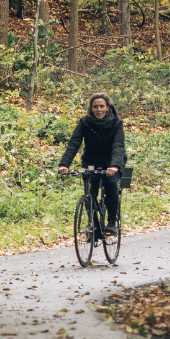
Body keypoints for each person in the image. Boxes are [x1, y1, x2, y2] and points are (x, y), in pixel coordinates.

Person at [59, 92, 127, 240]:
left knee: (110, 183)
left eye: (102, 106)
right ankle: (94, 227)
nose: (99, 109)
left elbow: (118, 146)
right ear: (91, 108)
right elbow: (74, 143)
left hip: (111, 161)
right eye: (95, 106)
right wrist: (64, 163)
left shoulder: (116, 123)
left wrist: (115, 165)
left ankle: (111, 222)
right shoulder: (85, 122)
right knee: (89, 192)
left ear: (108, 107)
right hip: (91, 160)